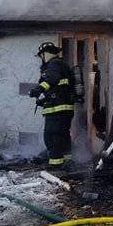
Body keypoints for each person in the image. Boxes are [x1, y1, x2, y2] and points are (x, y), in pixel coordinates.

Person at [29, 41, 75, 171]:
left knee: (52, 136)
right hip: (64, 107)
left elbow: (51, 80)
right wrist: (43, 101)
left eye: (41, 55)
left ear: (45, 54)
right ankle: (67, 162)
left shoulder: (53, 65)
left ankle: (55, 165)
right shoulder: (61, 64)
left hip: (57, 109)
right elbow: (59, 89)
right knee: (63, 135)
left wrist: (37, 90)